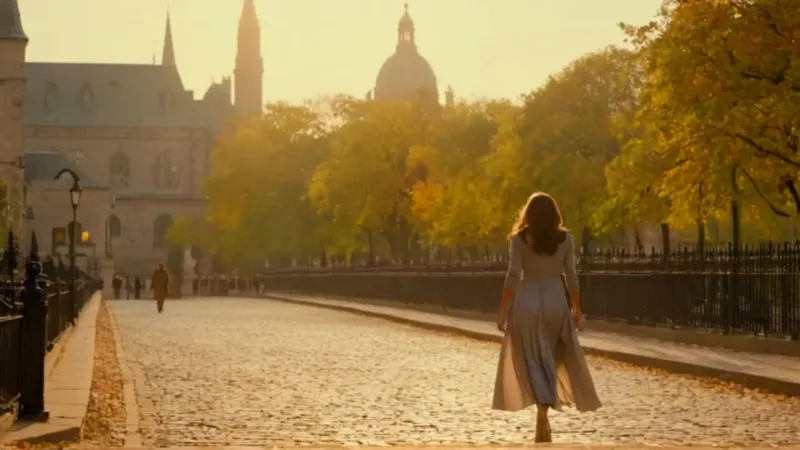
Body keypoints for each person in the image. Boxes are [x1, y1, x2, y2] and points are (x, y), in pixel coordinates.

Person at [492, 192, 601, 443]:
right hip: (554, 300)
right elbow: (572, 276)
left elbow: (513, 275)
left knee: (531, 358)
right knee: (552, 358)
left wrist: (503, 309)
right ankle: (545, 406)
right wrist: (576, 307)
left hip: (527, 299)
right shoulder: (565, 240)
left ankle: (540, 408)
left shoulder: (519, 240)